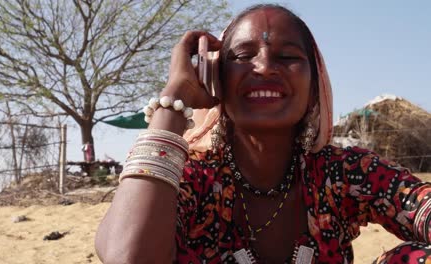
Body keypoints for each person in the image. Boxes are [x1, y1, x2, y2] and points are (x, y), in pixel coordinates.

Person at [95, 4, 431, 263]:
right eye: (242, 56)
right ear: (216, 79)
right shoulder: (192, 180)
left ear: (315, 87)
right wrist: (175, 97)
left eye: (287, 57)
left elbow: (419, 205)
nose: (265, 66)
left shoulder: (342, 174)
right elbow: (127, 256)